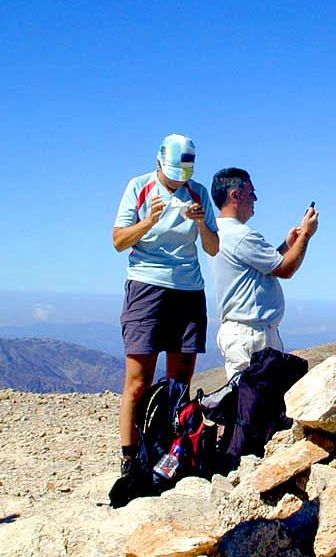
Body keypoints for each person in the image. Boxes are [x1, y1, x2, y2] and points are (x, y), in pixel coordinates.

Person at [112, 133, 219, 475]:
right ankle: (130, 459)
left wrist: (201, 222)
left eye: (183, 174)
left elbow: (213, 248)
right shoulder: (139, 187)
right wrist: (149, 221)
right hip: (147, 285)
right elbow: (118, 241)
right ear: (159, 162)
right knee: (138, 380)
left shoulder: (198, 192)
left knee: (180, 380)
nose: (177, 180)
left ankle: (173, 452)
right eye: (172, 172)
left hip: (188, 290)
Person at [210, 167, 318, 379]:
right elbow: (285, 269)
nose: (255, 198)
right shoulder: (241, 235)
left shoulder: (219, 232)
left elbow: (268, 265)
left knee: (249, 402)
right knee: (255, 405)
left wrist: (288, 245)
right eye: (251, 193)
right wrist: (305, 235)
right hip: (252, 334)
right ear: (235, 195)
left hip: (242, 331)